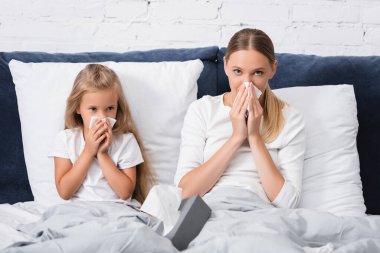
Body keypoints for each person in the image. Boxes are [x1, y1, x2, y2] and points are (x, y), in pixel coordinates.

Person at [174, 28, 306, 208]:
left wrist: (254, 137)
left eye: (258, 72)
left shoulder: (289, 118)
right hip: (211, 210)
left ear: (272, 69)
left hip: (261, 213)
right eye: (238, 71)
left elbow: (289, 203)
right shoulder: (203, 110)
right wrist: (237, 137)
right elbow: (185, 193)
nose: (247, 83)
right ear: (226, 65)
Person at [50, 64, 153, 204]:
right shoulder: (66, 139)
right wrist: (88, 151)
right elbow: (64, 192)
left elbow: (125, 192)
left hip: (117, 210)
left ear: (118, 107)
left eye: (110, 108)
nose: (102, 117)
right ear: (78, 108)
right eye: (93, 109)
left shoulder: (126, 141)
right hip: (79, 211)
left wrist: (102, 154)